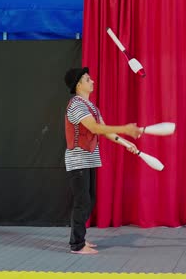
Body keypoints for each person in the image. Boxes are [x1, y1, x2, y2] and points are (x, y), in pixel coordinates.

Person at [64, 67, 142, 254]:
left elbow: (105, 130)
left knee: (89, 200)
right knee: (82, 202)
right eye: (88, 79)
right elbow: (94, 128)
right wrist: (126, 128)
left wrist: (126, 143)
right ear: (79, 84)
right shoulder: (76, 104)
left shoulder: (92, 107)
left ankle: (80, 238)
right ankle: (77, 244)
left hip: (90, 159)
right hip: (78, 160)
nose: (92, 81)